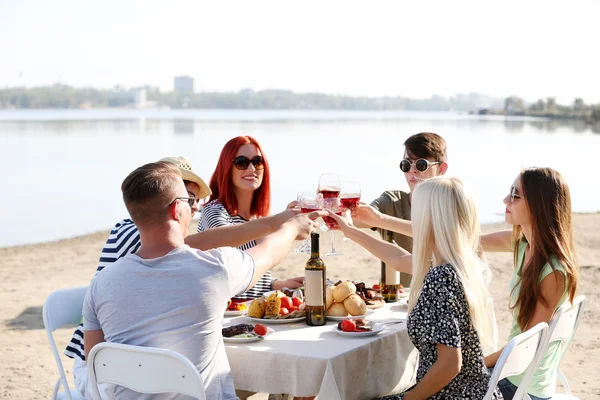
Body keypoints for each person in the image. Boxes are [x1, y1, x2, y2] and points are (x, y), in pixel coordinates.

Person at [82, 161, 322, 399]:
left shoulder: (100, 284)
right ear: (177, 209)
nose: (193, 208)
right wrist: (292, 228)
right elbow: (268, 254)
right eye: (189, 201)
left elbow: (96, 364)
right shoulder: (213, 268)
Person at [327, 177, 501, 399]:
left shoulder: (441, 277)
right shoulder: (466, 265)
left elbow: (450, 364)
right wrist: (350, 231)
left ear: (430, 219)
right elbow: (398, 257)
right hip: (477, 390)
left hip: (451, 394)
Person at [481, 168, 579, 400]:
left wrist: (478, 364)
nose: (506, 200)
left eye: (515, 196)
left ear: (539, 204)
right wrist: (382, 222)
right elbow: (462, 242)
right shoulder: (524, 245)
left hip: (523, 387)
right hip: (516, 372)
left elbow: (527, 346)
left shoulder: (553, 272)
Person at [197, 136, 304, 300]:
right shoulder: (214, 211)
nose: (251, 168)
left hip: (251, 314)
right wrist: (280, 226)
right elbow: (234, 270)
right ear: (227, 168)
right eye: (241, 162)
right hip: (225, 313)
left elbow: (254, 270)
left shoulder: (260, 218)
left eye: (257, 161)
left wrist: (277, 283)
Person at [357, 132, 448, 288]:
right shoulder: (392, 202)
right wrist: (330, 209)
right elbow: (358, 220)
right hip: (394, 302)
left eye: (421, 164)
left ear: (441, 168)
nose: (412, 170)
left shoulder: (452, 208)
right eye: (406, 164)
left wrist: (379, 220)